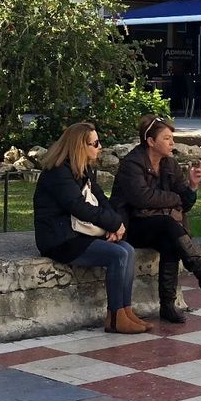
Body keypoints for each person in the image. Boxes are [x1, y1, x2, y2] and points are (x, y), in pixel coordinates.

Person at [113, 114, 201, 323]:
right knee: (168, 224)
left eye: (171, 138)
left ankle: (168, 306)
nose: (172, 143)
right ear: (151, 141)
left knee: (170, 243)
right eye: (166, 138)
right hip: (131, 225)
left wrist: (192, 187)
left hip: (159, 226)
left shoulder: (169, 164)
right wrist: (175, 198)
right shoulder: (132, 164)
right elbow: (141, 198)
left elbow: (185, 204)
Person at [34, 123, 144, 334]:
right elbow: (78, 207)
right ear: (79, 146)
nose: (100, 147)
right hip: (60, 239)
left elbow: (101, 199)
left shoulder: (83, 168)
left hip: (78, 233)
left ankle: (125, 311)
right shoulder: (58, 172)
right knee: (118, 255)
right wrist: (112, 224)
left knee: (128, 250)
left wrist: (116, 224)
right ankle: (115, 317)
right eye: (95, 143)